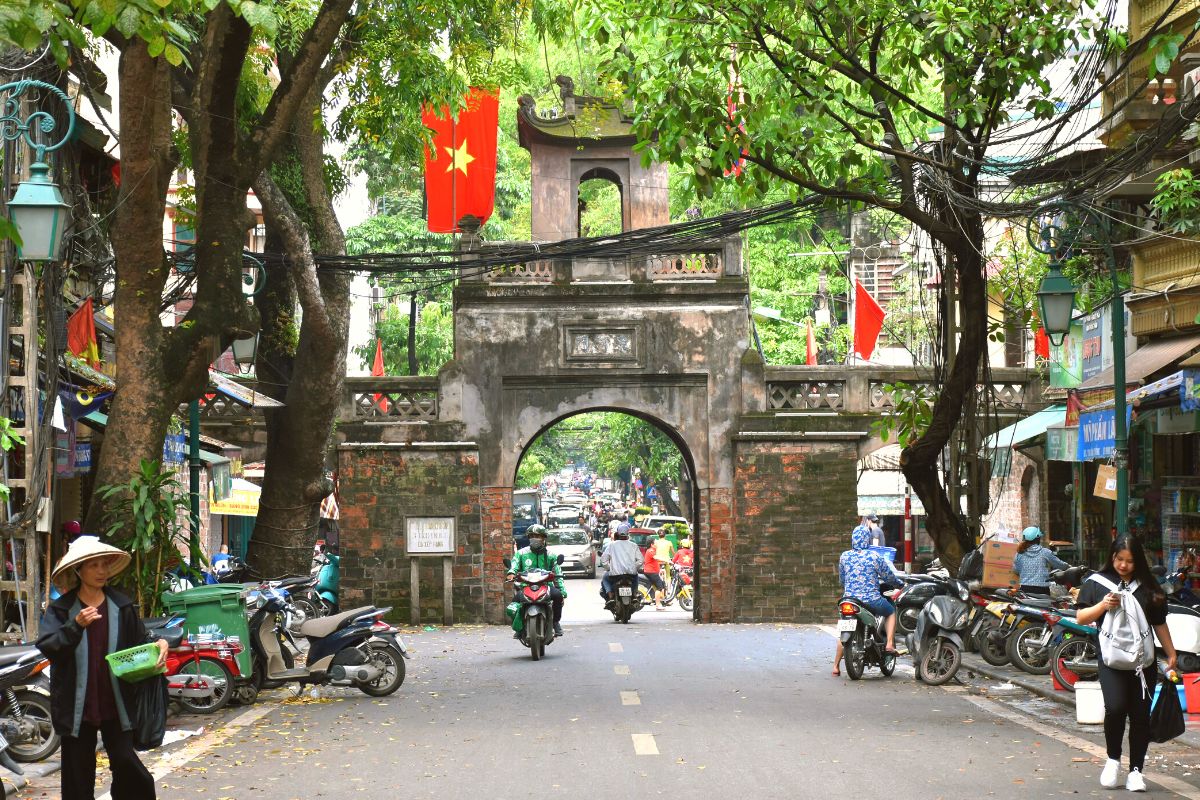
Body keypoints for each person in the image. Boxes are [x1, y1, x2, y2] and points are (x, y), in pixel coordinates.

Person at [36, 536, 169, 800]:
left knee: (127, 766)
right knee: (77, 777)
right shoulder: (62, 609)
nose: (101, 571)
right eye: (93, 566)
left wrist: (161, 643)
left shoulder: (120, 605)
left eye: (104, 565)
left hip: (116, 702)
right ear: (79, 570)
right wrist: (75, 625)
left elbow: (141, 641)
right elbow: (48, 645)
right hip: (76, 706)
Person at [1075, 535, 1177, 792]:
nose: (1123, 565)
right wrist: (1103, 604)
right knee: (1116, 708)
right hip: (1111, 660)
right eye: (1119, 559)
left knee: (1141, 716)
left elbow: (1159, 623)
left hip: (1143, 662)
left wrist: (1171, 653)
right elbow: (1081, 618)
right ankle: (1112, 759)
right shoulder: (1096, 584)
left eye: (1129, 561)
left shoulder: (1148, 587)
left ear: (1138, 561)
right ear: (1112, 557)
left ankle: (1136, 771)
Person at [833, 526, 902, 676]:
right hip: (871, 600)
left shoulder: (844, 556)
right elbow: (888, 576)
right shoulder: (874, 556)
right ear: (867, 539)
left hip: (849, 600)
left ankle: (836, 666)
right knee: (890, 611)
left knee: (844, 629)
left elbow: (842, 580)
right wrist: (899, 584)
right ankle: (889, 644)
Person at [506, 525, 566, 637]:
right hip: (526, 586)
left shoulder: (551, 555)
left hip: (546, 586)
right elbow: (514, 564)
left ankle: (555, 622)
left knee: (558, 596)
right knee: (514, 604)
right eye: (532, 536)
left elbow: (557, 573)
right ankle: (520, 627)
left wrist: (562, 591)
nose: (535, 538)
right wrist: (511, 573)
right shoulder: (521, 553)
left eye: (537, 536)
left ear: (544, 538)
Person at [1012, 526, 1069, 596]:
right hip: (1042, 590)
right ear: (1037, 538)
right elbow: (1060, 565)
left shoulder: (1019, 553)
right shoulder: (1045, 552)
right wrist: (1069, 567)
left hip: (1025, 589)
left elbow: (1016, 570)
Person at [599, 525, 644, 604]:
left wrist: (610, 568)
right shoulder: (633, 545)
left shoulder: (611, 545)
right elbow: (640, 561)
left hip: (615, 575)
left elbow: (603, 560)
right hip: (631, 575)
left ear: (618, 533)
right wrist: (633, 567)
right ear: (628, 533)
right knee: (636, 576)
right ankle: (634, 595)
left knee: (605, 578)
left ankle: (610, 596)